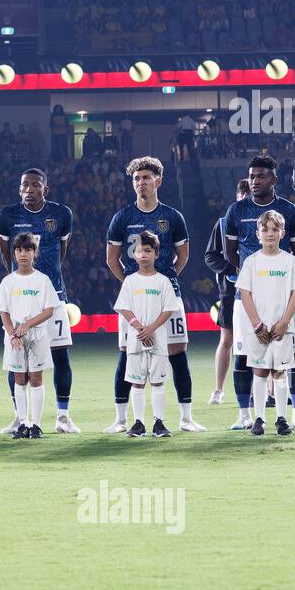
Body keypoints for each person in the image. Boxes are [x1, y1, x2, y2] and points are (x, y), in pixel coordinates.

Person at [104, 157, 204, 433]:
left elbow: (182, 257)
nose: (141, 183)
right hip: (135, 300)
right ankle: (121, 420)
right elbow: (112, 260)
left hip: (168, 295)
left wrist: (164, 281)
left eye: (146, 177)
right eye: (136, 178)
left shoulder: (173, 217)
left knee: (177, 353)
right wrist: (132, 284)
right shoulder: (122, 217)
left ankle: (186, 418)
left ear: (158, 181)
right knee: (127, 353)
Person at [223, 155, 295, 430]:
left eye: (261, 176)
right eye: (251, 176)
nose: (255, 181)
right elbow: (230, 253)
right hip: (247, 298)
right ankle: (245, 414)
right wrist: (252, 280)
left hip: (283, 299)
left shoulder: (290, 211)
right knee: (244, 357)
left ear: (274, 179)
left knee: (293, 357)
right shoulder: (236, 211)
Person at [0, 168, 78, 434]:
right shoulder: (6, 216)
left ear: (46, 188)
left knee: (60, 356)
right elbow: (5, 254)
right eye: (25, 185)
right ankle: (20, 418)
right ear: (19, 189)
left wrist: (44, 281)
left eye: (36, 185)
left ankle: (63, 417)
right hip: (19, 302)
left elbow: (61, 253)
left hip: (53, 296)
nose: (30, 189)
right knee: (16, 358)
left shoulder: (61, 214)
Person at [234, 211, 295, 437]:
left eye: (275, 229)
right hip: (259, 329)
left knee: (280, 371)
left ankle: (281, 418)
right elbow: (244, 293)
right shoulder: (252, 262)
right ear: (258, 234)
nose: (270, 234)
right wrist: (256, 324)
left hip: (282, 328)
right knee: (260, 370)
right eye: (265, 229)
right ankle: (259, 419)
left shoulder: (290, 261)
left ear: (283, 233)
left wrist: (285, 321)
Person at [113, 230, 184, 438]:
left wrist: (150, 328)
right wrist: (138, 327)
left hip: (158, 340)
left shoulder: (163, 281)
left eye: (147, 250)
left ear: (156, 254)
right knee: (137, 382)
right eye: (139, 251)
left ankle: (159, 423)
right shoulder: (130, 281)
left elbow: (169, 309)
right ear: (133, 255)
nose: (143, 254)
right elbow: (124, 308)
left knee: (157, 381)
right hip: (136, 340)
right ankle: (138, 423)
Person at [0, 233, 62, 439]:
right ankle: (23, 423)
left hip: (38, 335)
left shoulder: (42, 280)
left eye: (28, 250)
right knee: (20, 378)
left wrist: (28, 324)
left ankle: (36, 424)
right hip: (14, 337)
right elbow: (3, 312)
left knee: (36, 378)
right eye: (19, 250)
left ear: (35, 253)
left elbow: (49, 310)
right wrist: (12, 334)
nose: (23, 254)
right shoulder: (8, 281)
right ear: (14, 253)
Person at [205, 179, 251, 404]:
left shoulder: (265, 223)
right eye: (242, 193)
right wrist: (232, 267)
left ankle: (268, 392)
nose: (245, 197)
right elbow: (210, 256)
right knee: (227, 339)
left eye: (249, 193)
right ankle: (218, 389)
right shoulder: (223, 224)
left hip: (259, 289)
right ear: (237, 196)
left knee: (263, 339)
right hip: (230, 290)